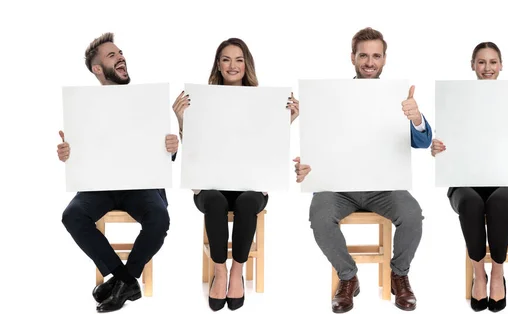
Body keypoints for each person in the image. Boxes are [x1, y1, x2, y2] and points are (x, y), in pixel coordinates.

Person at [294, 27, 432, 313]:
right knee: (319, 217)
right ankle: (348, 277)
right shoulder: (331, 97)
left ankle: (399, 275)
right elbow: (317, 141)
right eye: (364, 56)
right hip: (338, 188)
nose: (370, 62)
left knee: (412, 214)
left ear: (384, 59)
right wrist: (307, 166)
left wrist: (416, 117)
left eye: (376, 56)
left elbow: (423, 142)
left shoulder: (399, 97)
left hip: (384, 186)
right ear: (353, 57)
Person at [171, 37, 299, 311]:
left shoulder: (261, 101)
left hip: (250, 186)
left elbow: (268, 146)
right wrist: (182, 120)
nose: (232, 65)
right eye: (226, 59)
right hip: (210, 187)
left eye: (239, 59)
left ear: (246, 64)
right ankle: (220, 271)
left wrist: (287, 120)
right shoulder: (201, 99)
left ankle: (237, 272)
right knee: (215, 200)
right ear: (218, 64)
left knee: (247, 202)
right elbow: (194, 149)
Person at [57, 32, 178, 313]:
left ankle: (121, 282)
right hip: (99, 186)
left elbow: (164, 153)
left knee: (159, 219)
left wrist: (171, 147)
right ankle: (126, 281)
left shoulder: (146, 100)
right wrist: (67, 153)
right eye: (112, 55)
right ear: (97, 69)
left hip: (142, 185)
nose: (121, 57)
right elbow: (80, 153)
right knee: (72, 215)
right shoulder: (83, 106)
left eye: (121, 53)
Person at [430, 42, 508, 312]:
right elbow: (447, 144)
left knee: (496, 203)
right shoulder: (456, 100)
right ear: (472, 65)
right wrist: (436, 149)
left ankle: (496, 273)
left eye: (493, 62)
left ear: (501, 65)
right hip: (464, 182)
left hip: (506, 184)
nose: (487, 68)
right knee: (471, 202)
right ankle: (478, 273)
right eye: (481, 62)